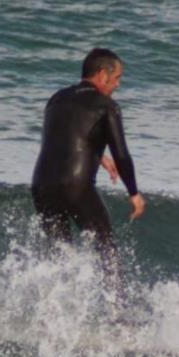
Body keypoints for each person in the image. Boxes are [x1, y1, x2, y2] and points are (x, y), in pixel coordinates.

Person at [30, 47, 146, 278]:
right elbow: (121, 153)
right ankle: (117, 312)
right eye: (117, 78)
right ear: (102, 74)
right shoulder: (106, 105)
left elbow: (62, 138)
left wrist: (98, 156)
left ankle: (54, 310)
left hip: (42, 186)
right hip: (76, 186)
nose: (118, 85)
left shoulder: (56, 99)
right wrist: (133, 192)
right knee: (106, 250)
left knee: (58, 256)